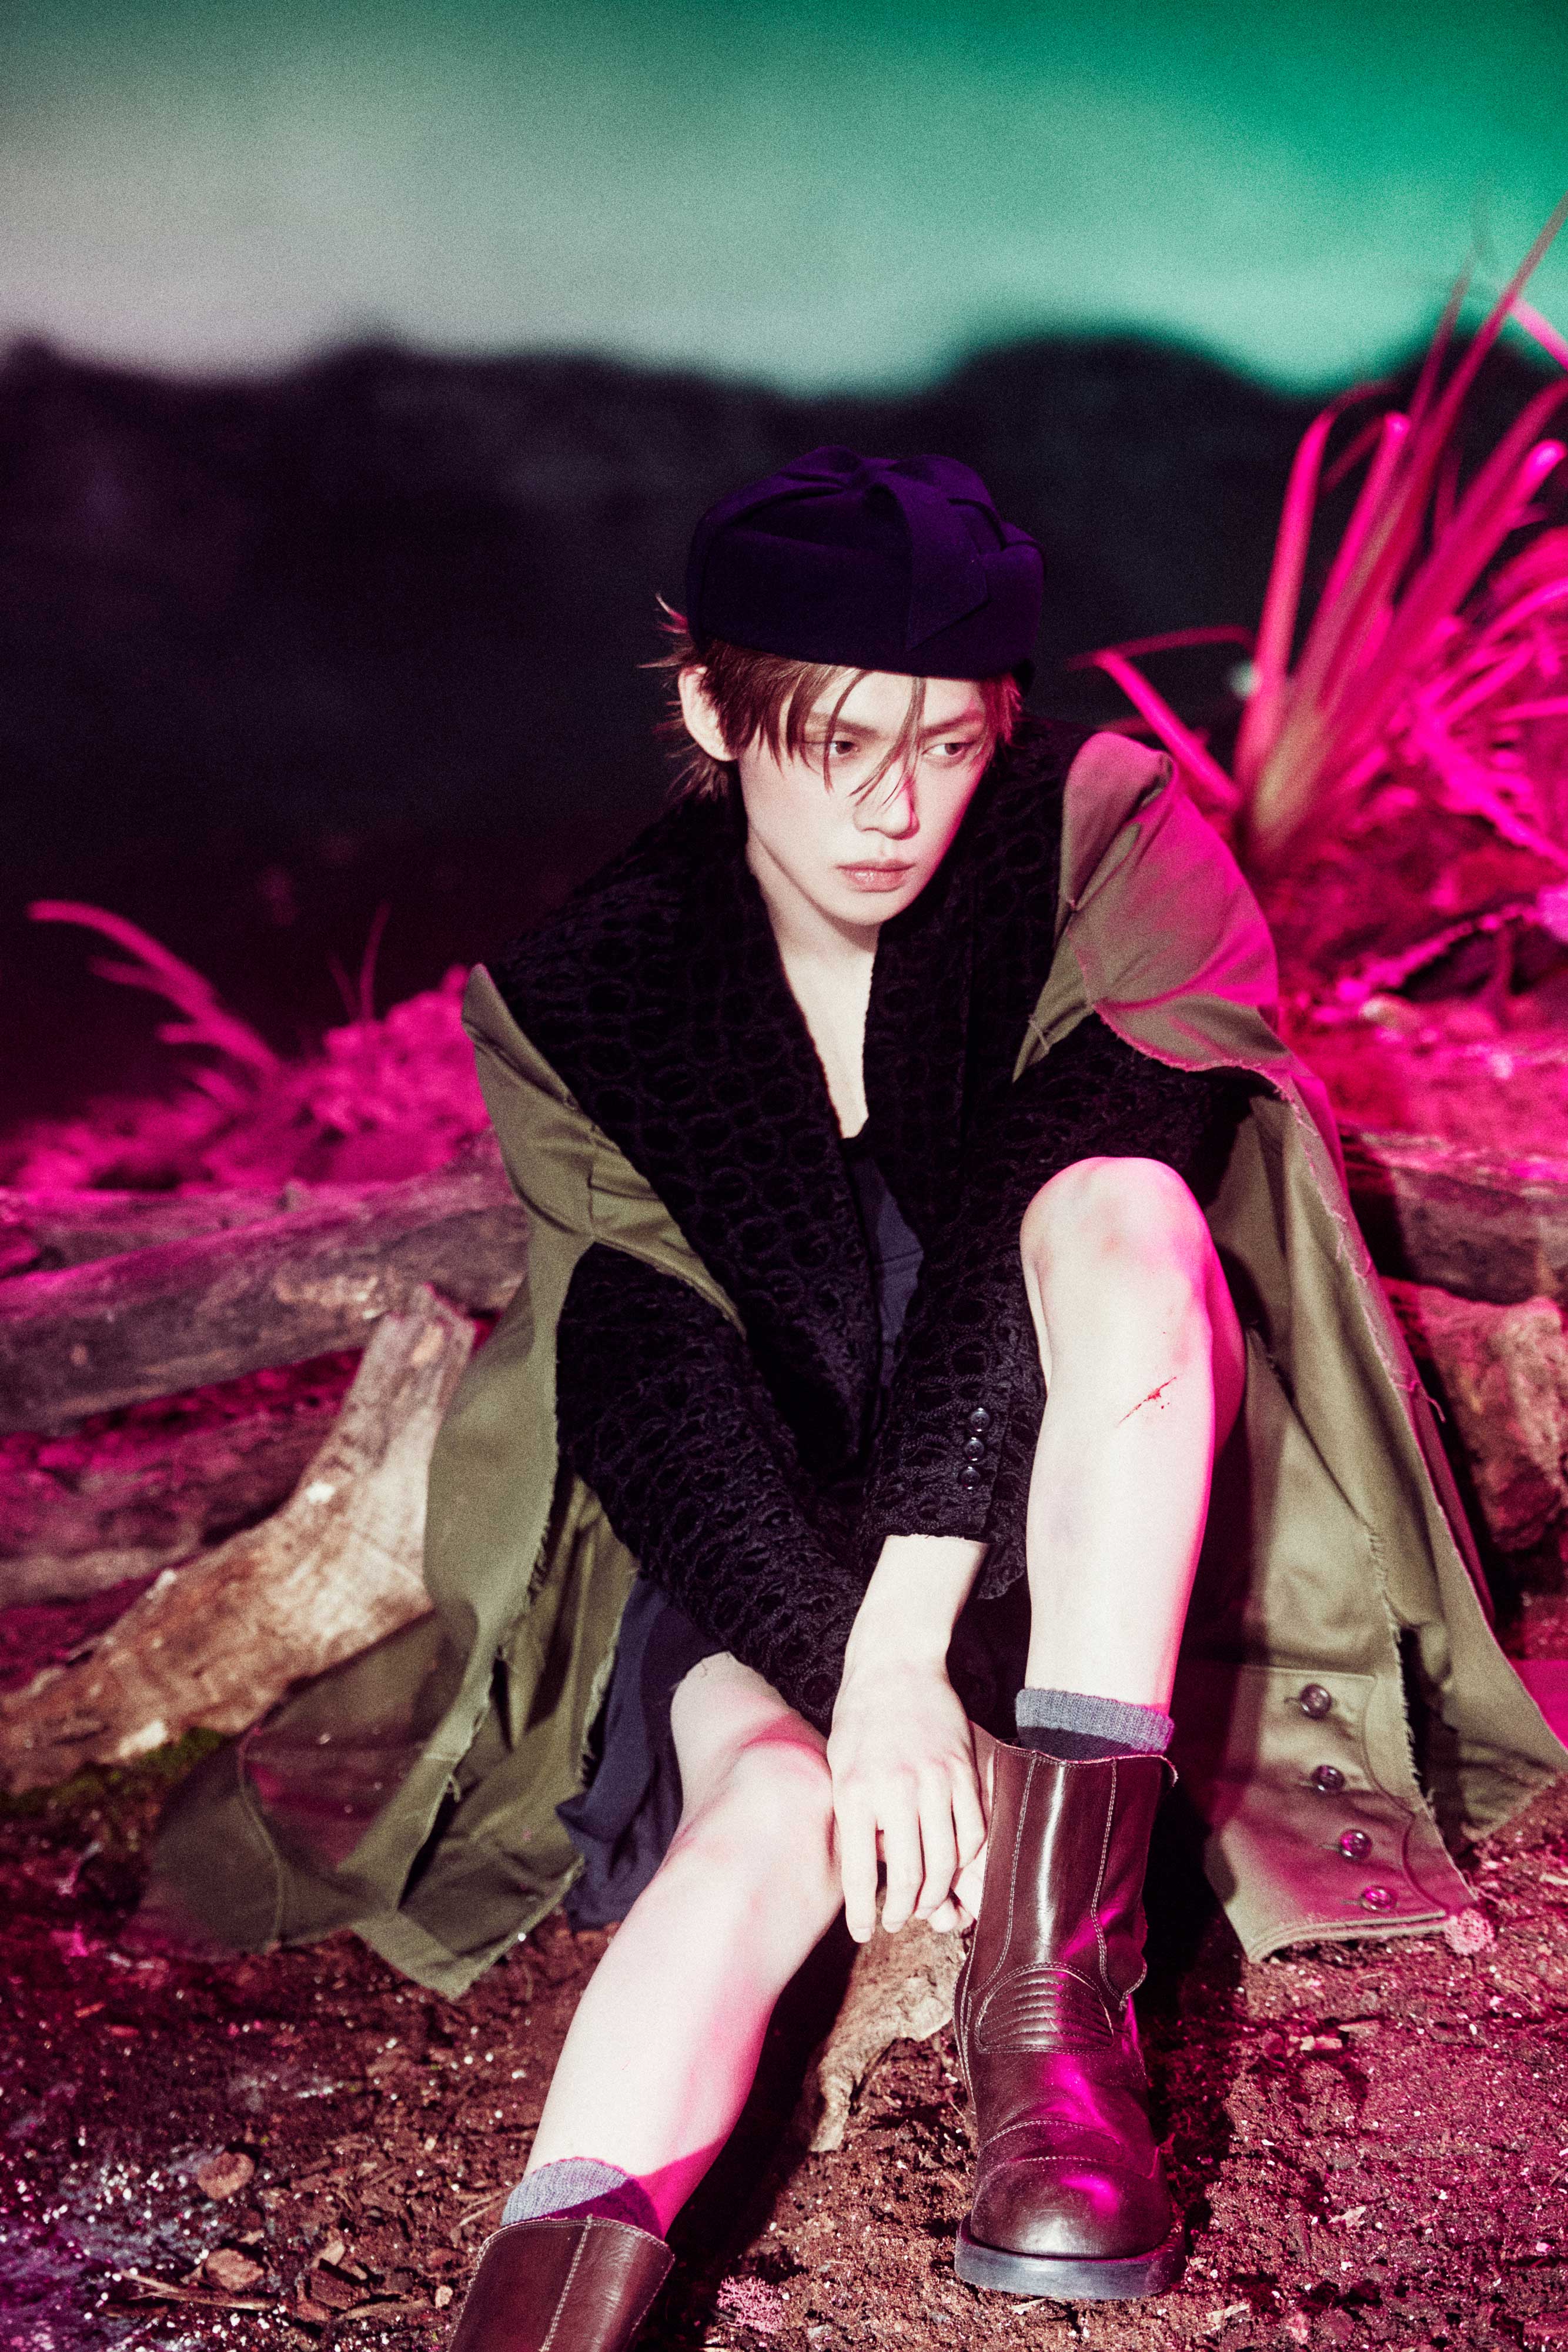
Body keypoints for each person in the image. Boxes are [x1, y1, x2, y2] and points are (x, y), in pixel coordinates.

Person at [148, 448, 1565, 2350]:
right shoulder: (584, 992)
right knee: (769, 1809)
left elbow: (1036, 1228)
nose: (895, 809)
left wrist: (918, 1643)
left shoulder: (1104, 839)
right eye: (836, 745)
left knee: (1124, 1213)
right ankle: (536, 2304)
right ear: (711, 709)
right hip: (760, 1530)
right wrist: (855, 1674)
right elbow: (644, 1373)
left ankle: (1051, 2020)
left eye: (947, 744)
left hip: (1086, 1509)